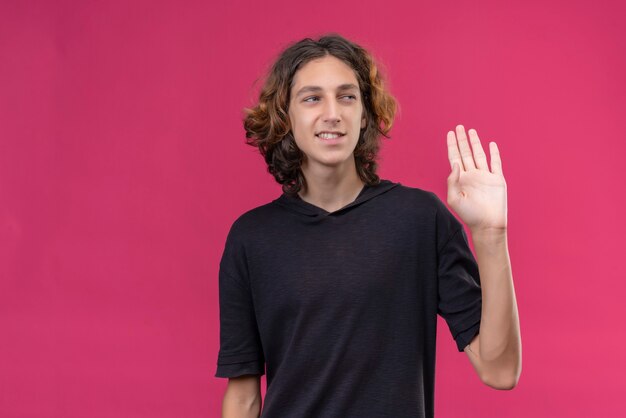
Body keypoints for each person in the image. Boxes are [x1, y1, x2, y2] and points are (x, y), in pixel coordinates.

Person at [215, 33, 521, 418]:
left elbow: (500, 369)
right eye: (312, 98)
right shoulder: (251, 238)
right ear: (285, 116)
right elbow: (243, 398)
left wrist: (491, 236)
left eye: (347, 96)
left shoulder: (420, 220)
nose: (333, 113)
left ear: (364, 113)